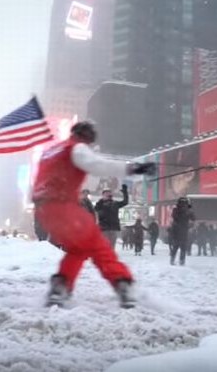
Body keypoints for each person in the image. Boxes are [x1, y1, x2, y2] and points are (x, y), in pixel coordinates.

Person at [32, 121, 156, 308]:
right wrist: (134, 168)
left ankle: (61, 287)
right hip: (63, 206)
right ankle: (123, 283)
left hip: (44, 211)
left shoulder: (51, 151)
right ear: (88, 137)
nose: (90, 146)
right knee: (98, 245)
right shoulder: (76, 148)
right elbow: (98, 166)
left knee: (78, 248)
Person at [95, 184, 129, 251]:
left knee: (112, 246)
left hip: (113, 228)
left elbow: (125, 202)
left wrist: (125, 192)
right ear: (103, 195)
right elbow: (95, 213)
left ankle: (110, 257)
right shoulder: (99, 204)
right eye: (106, 193)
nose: (108, 194)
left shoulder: (115, 203)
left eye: (109, 193)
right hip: (104, 228)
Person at [169, 197, 195, 266]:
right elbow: (193, 218)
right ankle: (181, 261)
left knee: (176, 247)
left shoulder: (176, 209)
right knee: (182, 248)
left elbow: (174, 217)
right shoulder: (186, 211)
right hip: (182, 231)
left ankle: (173, 260)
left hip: (177, 231)